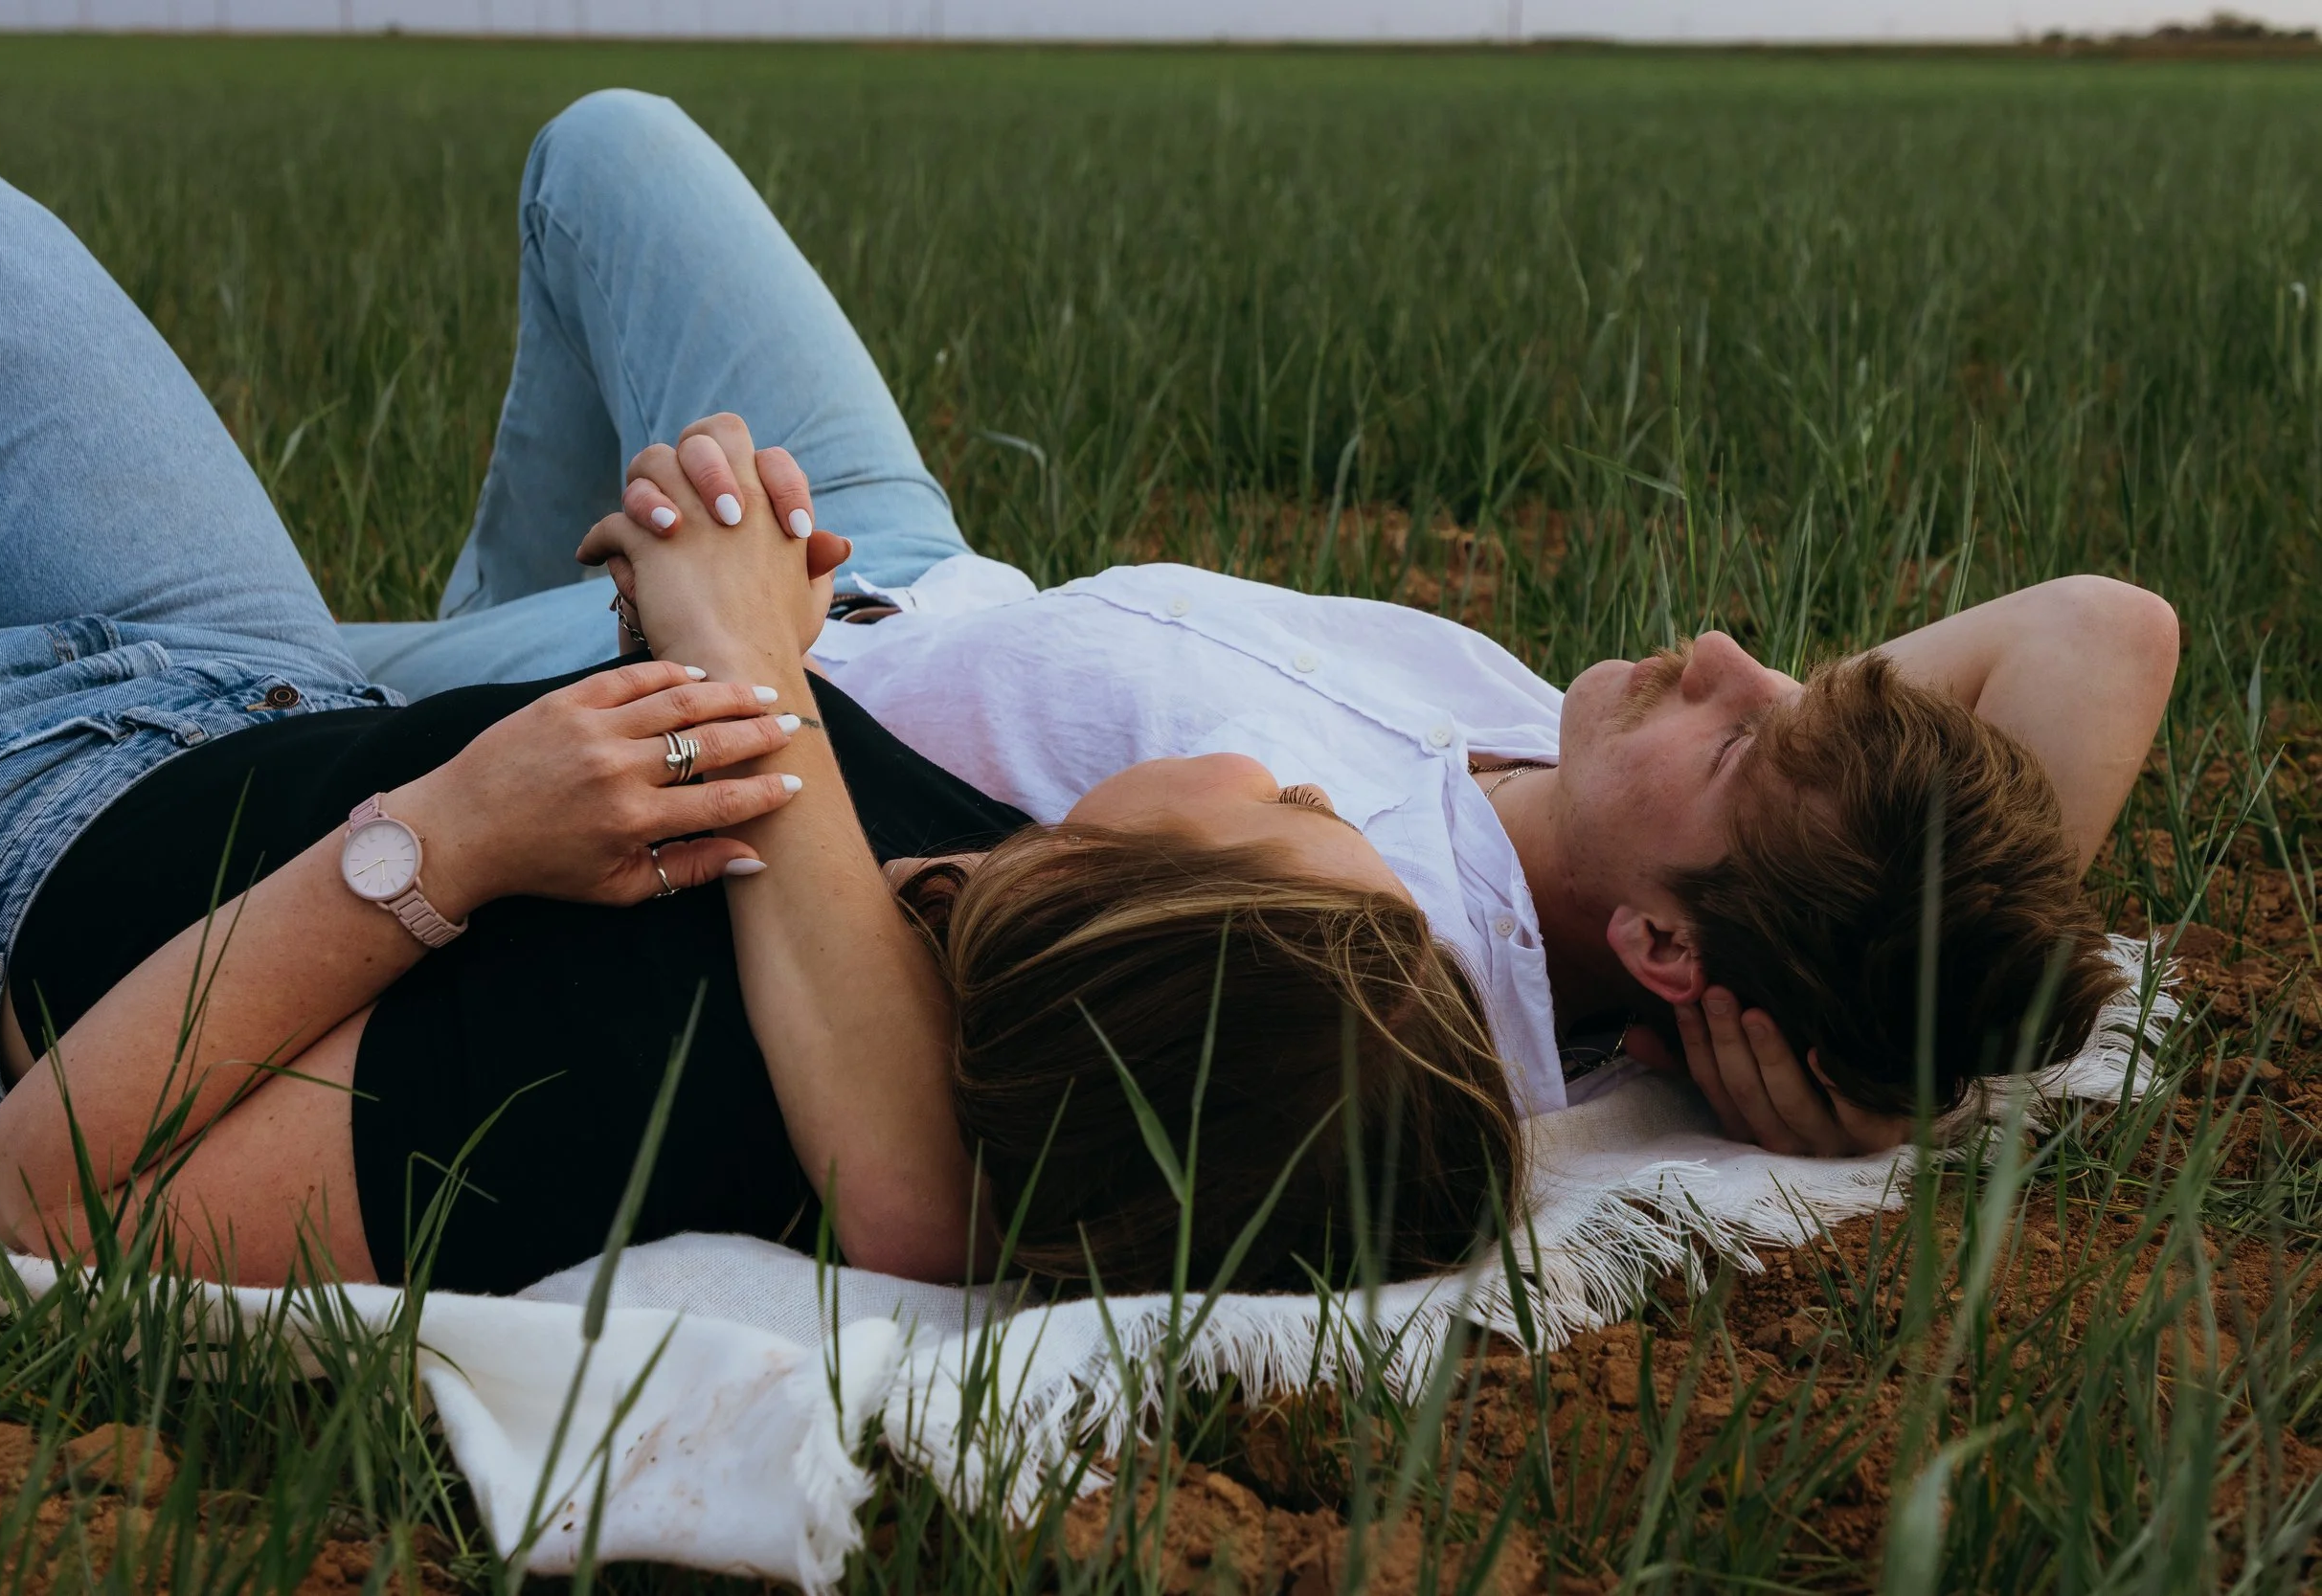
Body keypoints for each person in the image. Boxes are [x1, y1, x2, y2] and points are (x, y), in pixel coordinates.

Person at [349, 91, 2179, 1162]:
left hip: (714, 684)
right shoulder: (1597, 778)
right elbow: (2114, 630)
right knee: (612, 148)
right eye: (1787, 687)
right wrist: (1905, 1021)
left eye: (1744, 740)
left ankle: (460, 669)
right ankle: (484, 622)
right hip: (909, 554)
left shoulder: (1380, 952)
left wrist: (1865, 1055)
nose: (1726, 656)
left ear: (1667, 952)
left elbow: (926, 1154)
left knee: (249, 694)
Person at [0, 160, 1521, 1298]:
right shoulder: (971, 903)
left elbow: (46, 1187)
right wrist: (703, 638)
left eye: (1295, 809)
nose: (1293, 772)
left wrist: (461, 831)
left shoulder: (634, 1106)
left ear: (1155, 921)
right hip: (250, 690)